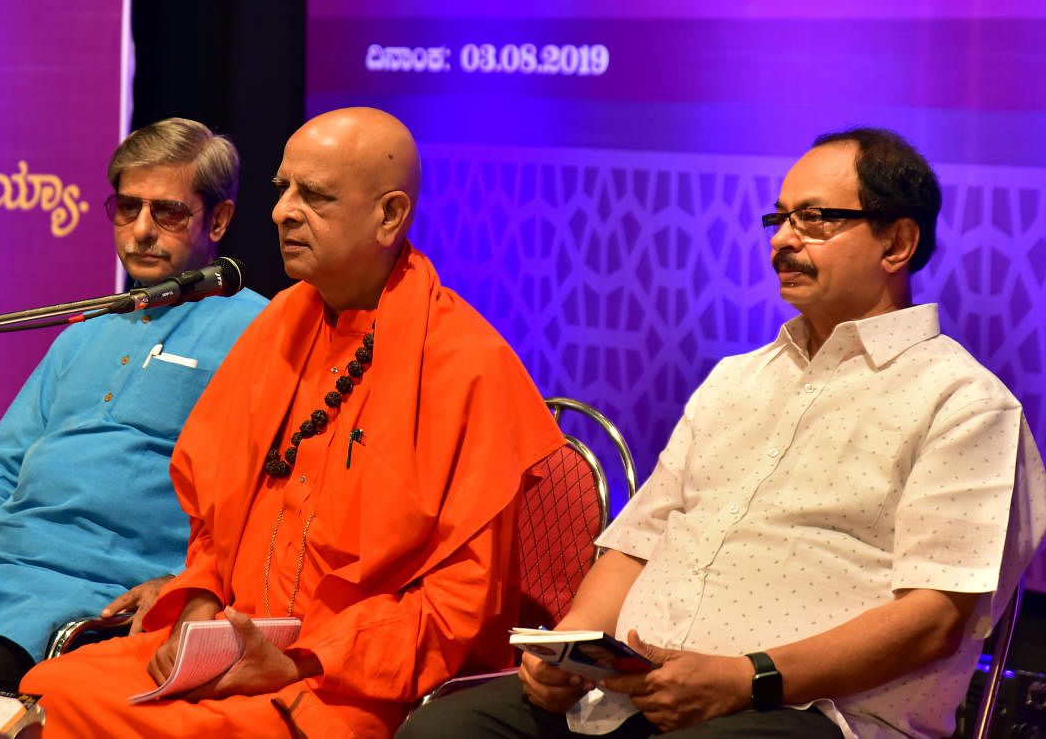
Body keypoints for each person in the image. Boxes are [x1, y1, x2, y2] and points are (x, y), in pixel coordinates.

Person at [397, 128, 1046, 739]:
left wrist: (745, 677)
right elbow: (637, 541)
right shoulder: (735, 379)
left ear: (896, 244)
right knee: (441, 728)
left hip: (806, 711)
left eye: (813, 220)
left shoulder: (966, 403)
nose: (782, 241)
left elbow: (934, 620)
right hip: (626, 691)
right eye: (780, 218)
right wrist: (569, 649)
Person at [20, 107, 565, 738]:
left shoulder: (468, 366)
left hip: (350, 682)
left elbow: (458, 611)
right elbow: (212, 535)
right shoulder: (278, 326)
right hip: (228, 652)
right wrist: (198, 607)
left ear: (389, 215)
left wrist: (298, 660)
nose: (281, 212)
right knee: (51, 688)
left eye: (316, 196)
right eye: (283, 190)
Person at [0, 118, 269, 707]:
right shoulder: (86, 328)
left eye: (167, 212)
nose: (142, 231)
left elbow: (263, 501)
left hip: (87, 597)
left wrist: (188, 586)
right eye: (127, 208)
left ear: (217, 221)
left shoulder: (258, 332)